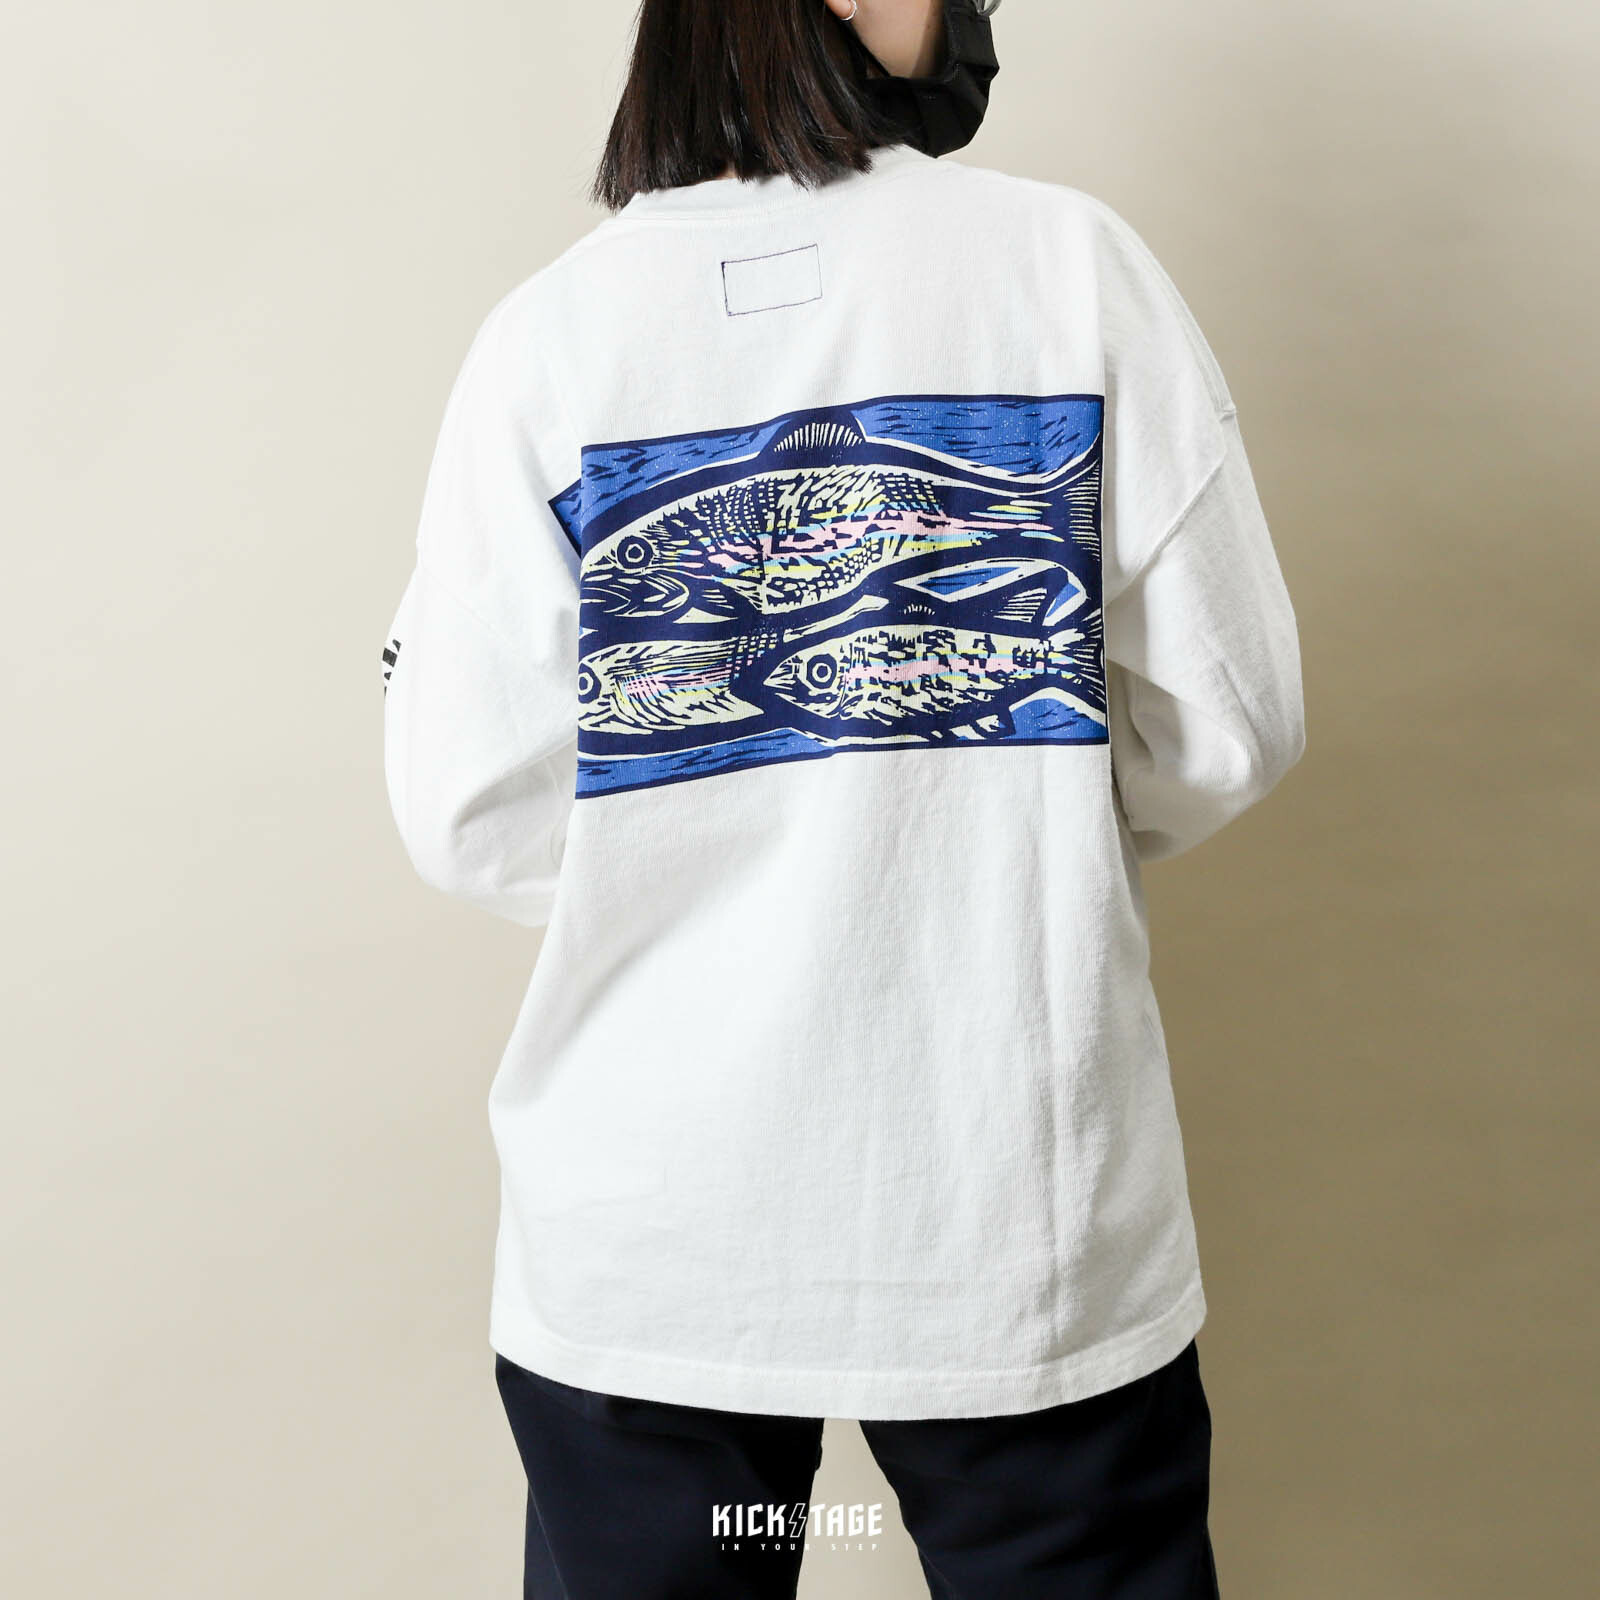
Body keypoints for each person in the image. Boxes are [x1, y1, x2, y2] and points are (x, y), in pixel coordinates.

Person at [379, 1, 1306, 1594]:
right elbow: (1233, 718)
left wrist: (681, 844)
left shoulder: (550, 338)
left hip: (648, 1232)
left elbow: (466, 806)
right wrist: (1010, 829)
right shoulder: (1067, 269)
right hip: (1013, 1204)